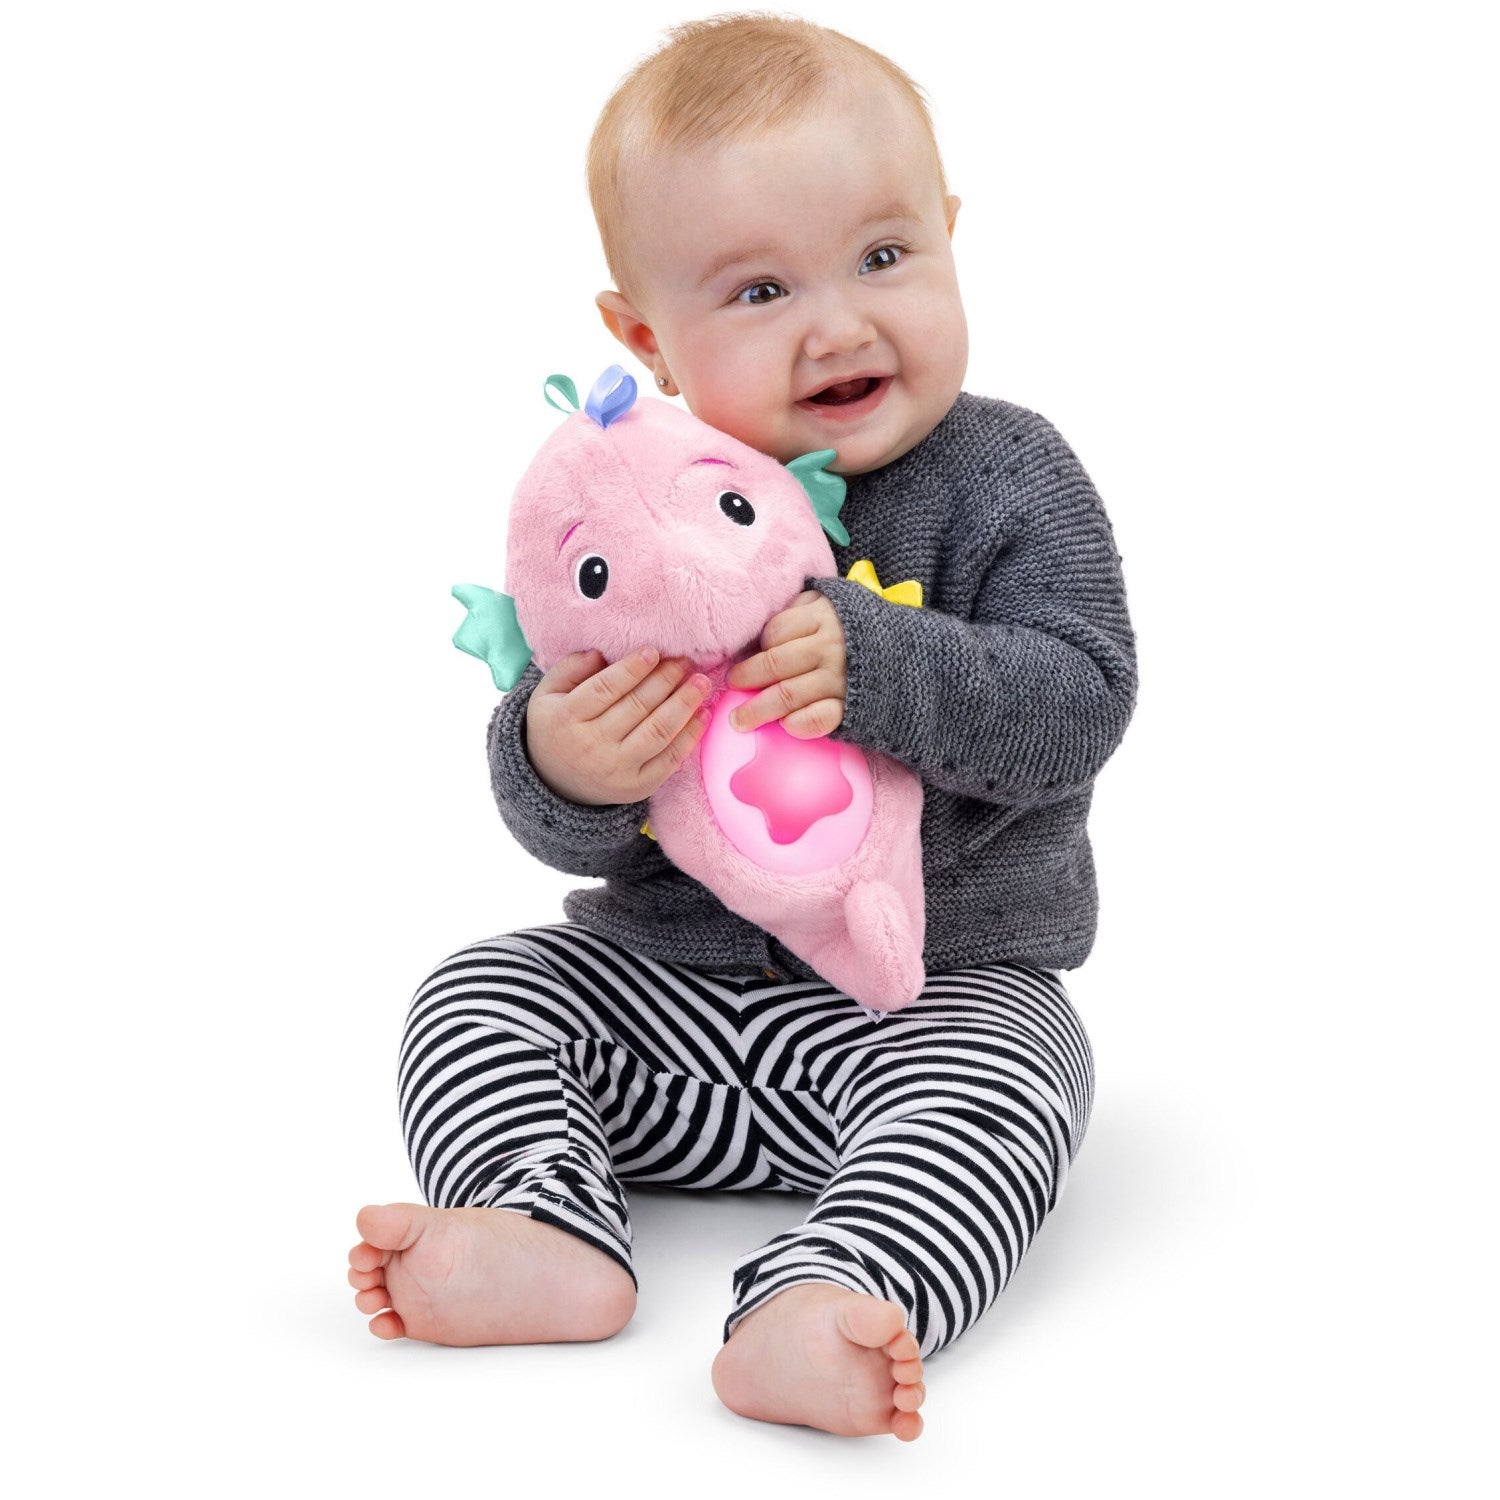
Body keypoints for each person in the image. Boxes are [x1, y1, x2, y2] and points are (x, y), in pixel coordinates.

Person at [347, 13, 1136, 1443]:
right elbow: (557, 770)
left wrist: (879, 666)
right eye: (761, 289)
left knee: (1011, 1088)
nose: (838, 325)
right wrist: (562, 761)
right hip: (666, 1007)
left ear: (952, 236)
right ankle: (545, 1222)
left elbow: (1079, 704)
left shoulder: (1009, 474)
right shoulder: (629, 499)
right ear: (645, 340)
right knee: (480, 991)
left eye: (884, 257)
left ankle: (836, 1291)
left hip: (930, 998)